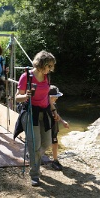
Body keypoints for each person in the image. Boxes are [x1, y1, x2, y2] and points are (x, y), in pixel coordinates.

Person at [15, 50, 59, 187]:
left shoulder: (47, 77)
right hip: (30, 113)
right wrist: (26, 96)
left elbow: (47, 96)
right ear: (41, 64)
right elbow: (17, 97)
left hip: (44, 113)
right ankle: (35, 175)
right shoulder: (26, 77)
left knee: (45, 143)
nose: (50, 69)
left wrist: (54, 111)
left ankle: (33, 155)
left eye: (51, 66)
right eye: (49, 66)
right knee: (35, 145)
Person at [48, 85, 69, 171]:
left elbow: (57, 115)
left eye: (57, 96)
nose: (57, 98)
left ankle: (55, 160)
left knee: (55, 142)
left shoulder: (55, 105)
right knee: (42, 143)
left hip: (54, 127)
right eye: (55, 97)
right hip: (46, 127)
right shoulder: (44, 106)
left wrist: (63, 121)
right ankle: (34, 157)